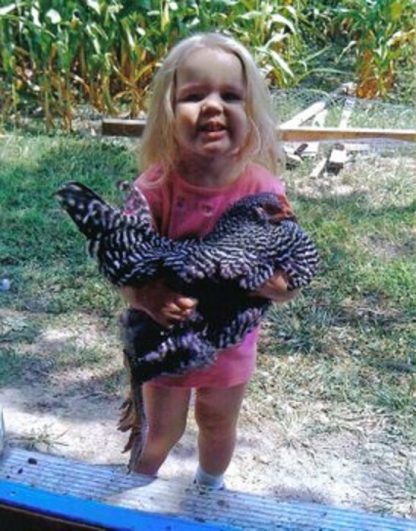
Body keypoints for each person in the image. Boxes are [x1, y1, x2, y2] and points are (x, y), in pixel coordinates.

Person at [120, 32, 297, 490]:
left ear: (251, 111)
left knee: (218, 423)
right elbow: (122, 263)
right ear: (168, 111)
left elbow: (291, 269)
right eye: (194, 95)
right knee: (163, 428)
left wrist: (280, 285)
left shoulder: (264, 189)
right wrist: (146, 295)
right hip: (166, 340)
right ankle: (134, 491)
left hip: (229, 339)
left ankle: (208, 490)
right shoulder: (155, 187)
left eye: (231, 96)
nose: (213, 106)